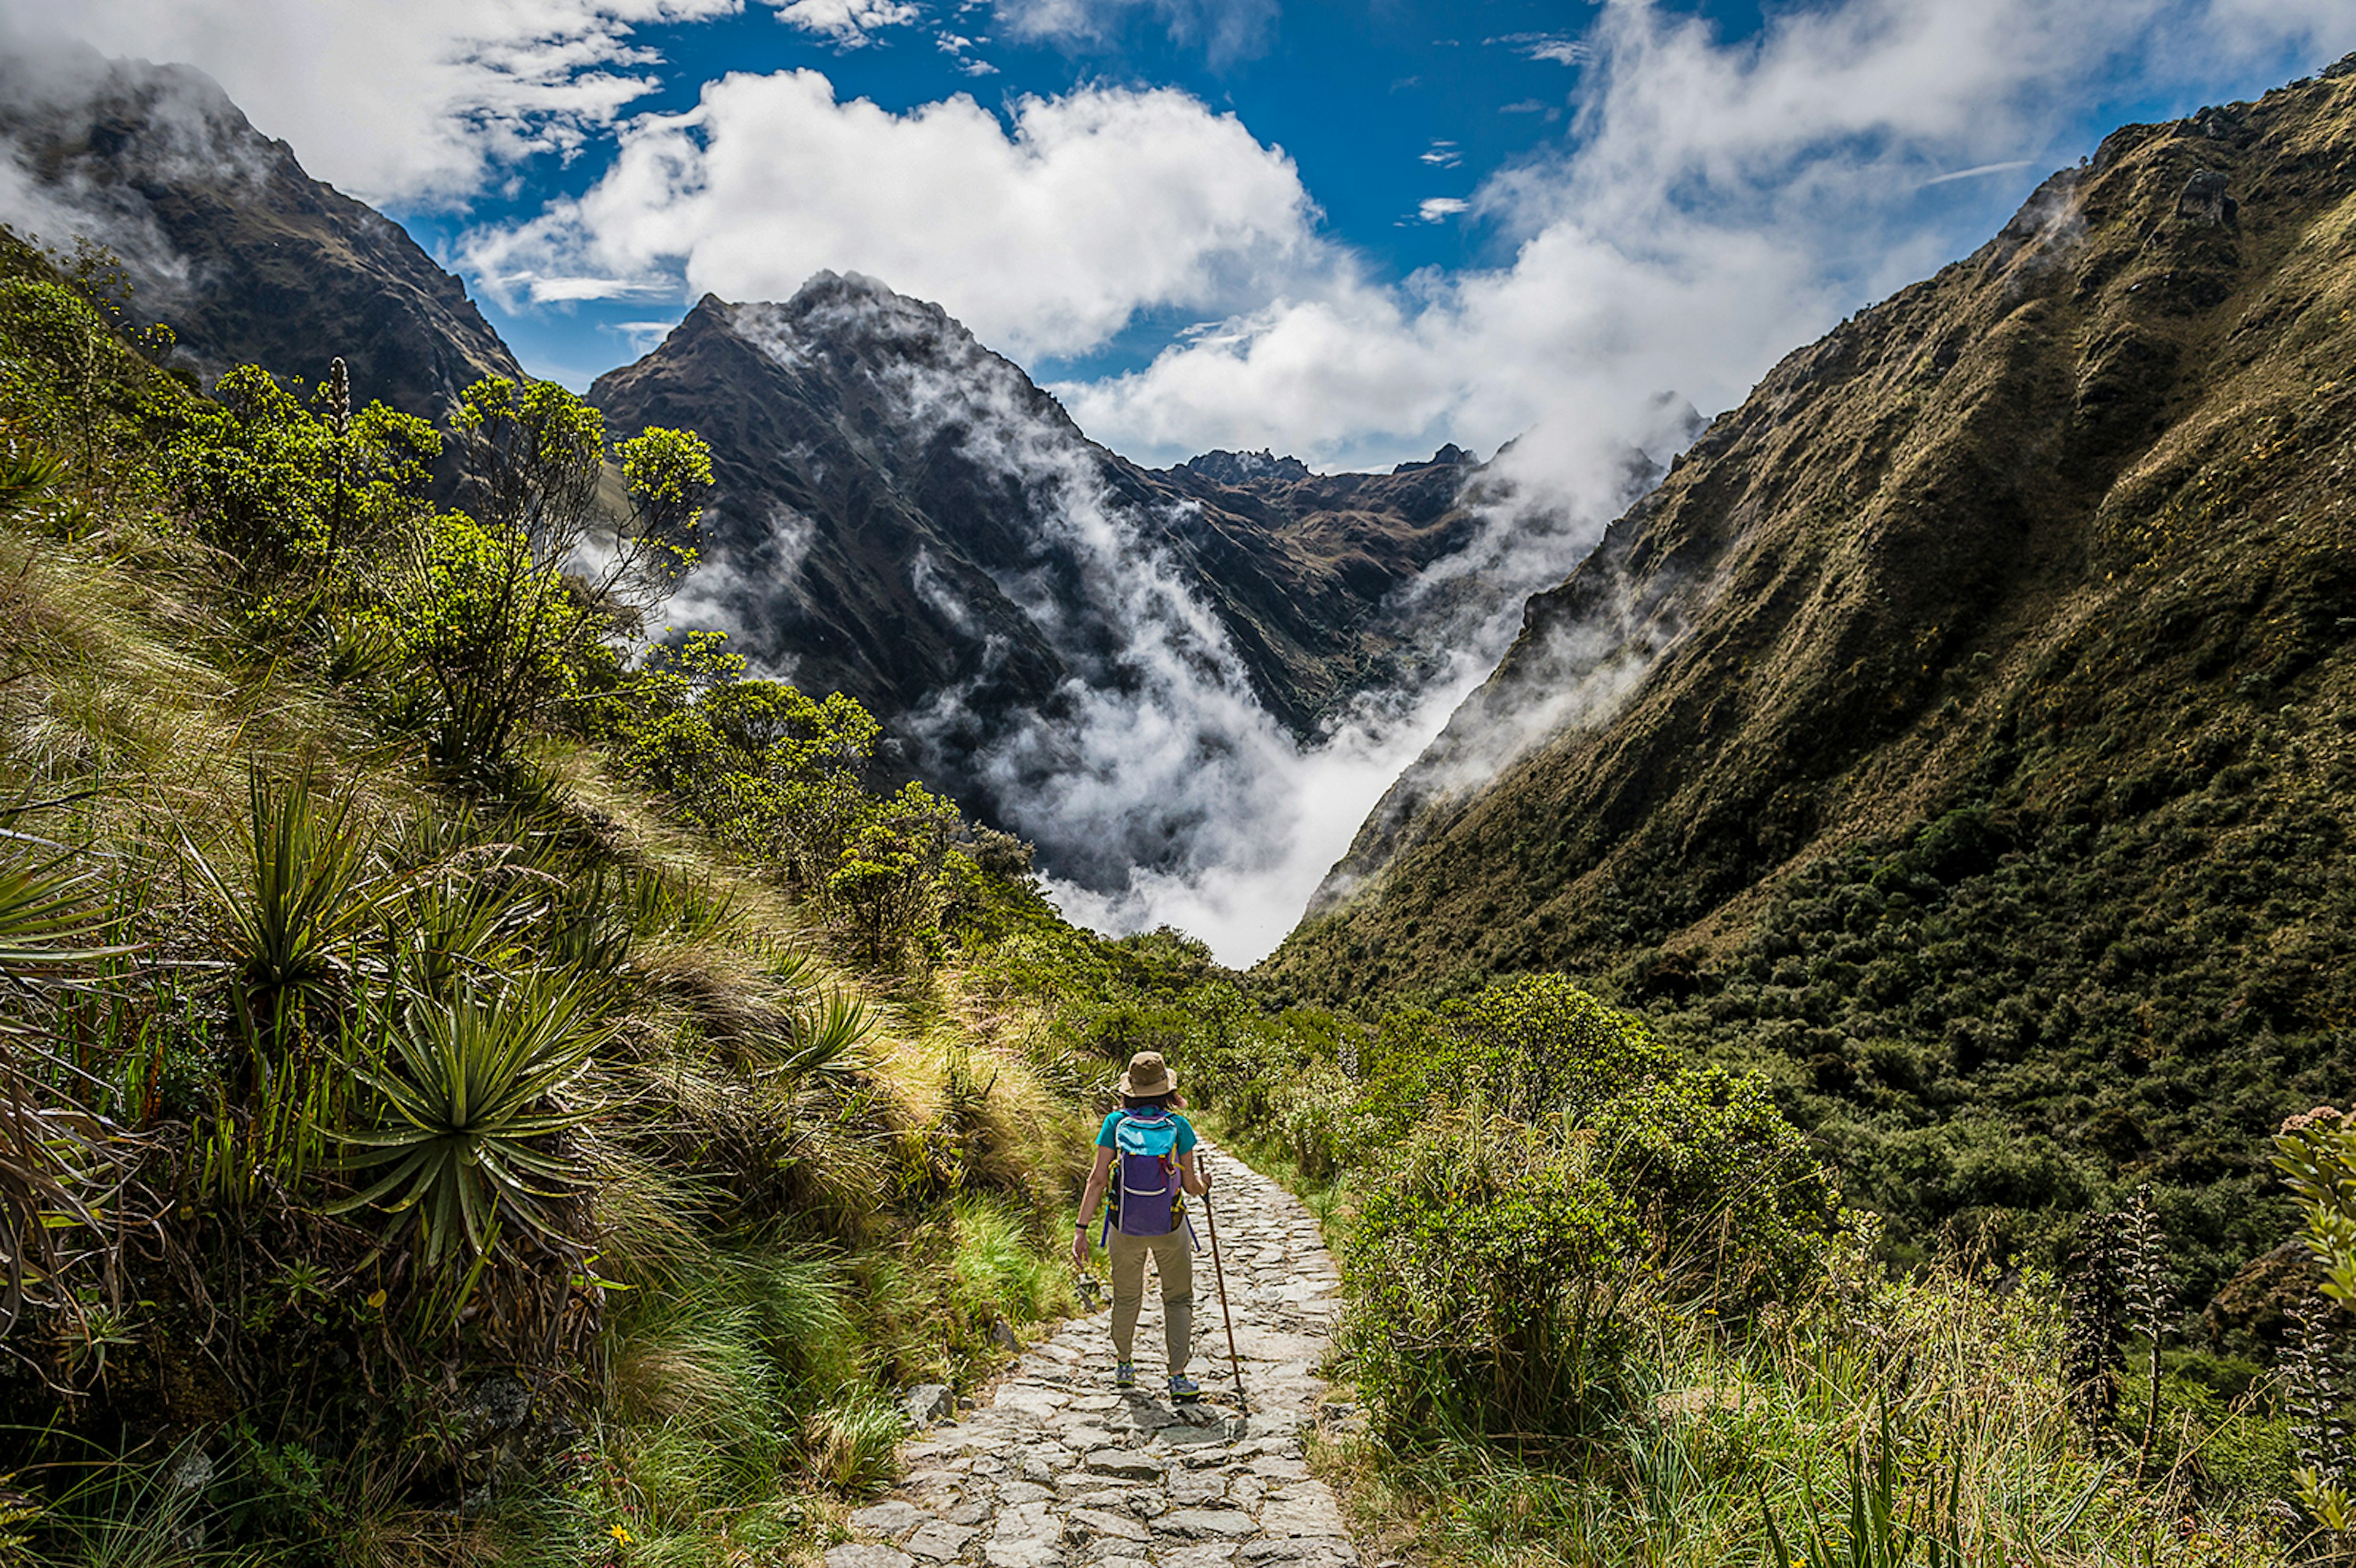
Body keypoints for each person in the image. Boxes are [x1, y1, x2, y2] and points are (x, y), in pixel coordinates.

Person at [1071, 1051, 1212, 1397]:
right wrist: (1205, 1184)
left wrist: (1081, 1228)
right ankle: (1177, 1377)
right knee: (1178, 1299)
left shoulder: (1115, 1124)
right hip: (1170, 1224)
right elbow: (1191, 1186)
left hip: (1125, 1225)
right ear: (1166, 1089)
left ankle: (1124, 1366)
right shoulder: (1179, 1126)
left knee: (1126, 1297)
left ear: (1130, 1089)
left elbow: (1097, 1179)